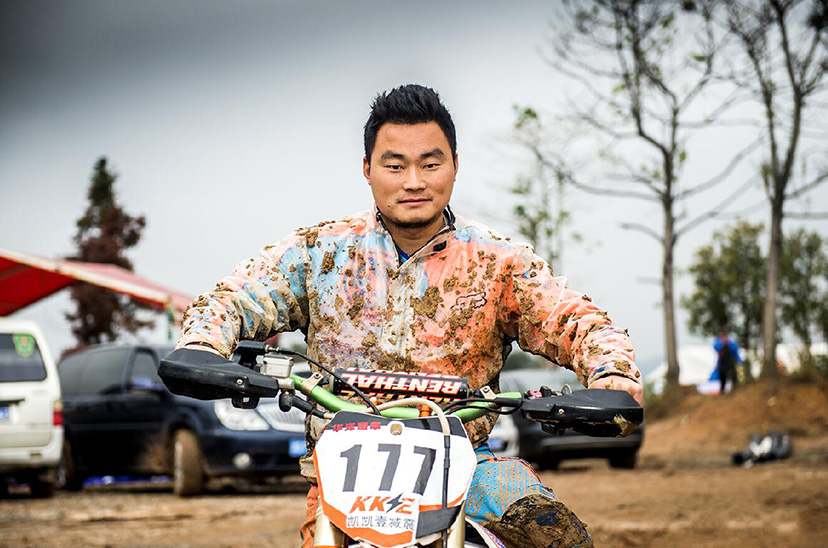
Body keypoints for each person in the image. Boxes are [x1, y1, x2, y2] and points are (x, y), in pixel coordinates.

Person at [177, 84, 642, 548]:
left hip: (467, 465)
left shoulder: (498, 261)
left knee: (558, 535)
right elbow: (234, 298)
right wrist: (202, 345)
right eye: (395, 165)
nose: (414, 181)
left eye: (430, 164)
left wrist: (612, 373)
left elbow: (574, 318)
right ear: (367, 169)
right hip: (345, 472)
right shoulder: (320, 253)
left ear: (455, 165)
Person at [713, 330, 742, 394]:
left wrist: (739, 360)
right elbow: (715, 347)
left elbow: (735, 351)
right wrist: (723, 343)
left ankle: (735, 388)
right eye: (722, 336)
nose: (724, 337)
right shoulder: (718, 343)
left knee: (733, 375)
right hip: (722, 363)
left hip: (730, 362)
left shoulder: (731, 343)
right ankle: (722, 390)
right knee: (722, 377)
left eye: (725, 336)